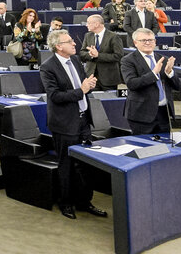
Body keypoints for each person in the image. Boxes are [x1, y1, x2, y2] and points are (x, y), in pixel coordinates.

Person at [40, 29, 105, 220]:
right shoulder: (47, 67)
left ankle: (85, 202)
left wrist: (88, 86)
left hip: (84, 119)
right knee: (67, 165)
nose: (74, 44)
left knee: (85, 165)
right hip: (64, 123)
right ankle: (66, 203)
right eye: (70, 42)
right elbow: (55, 96)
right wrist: (81, 90)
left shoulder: (76, 60)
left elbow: (81, 88)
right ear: (59, 47)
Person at [121, 28, 181, 134]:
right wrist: (153, 73)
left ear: (155, 42)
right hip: (141, 115)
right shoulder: (128, 60)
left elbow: (178, 86)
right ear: (135, 43)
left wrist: (169, 73)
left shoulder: (164, 59)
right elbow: (132, 84)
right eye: (143, 40)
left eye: (151, 40)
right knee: (145, 149)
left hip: (164, 113)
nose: (148, 42)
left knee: (165, 147)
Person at [78, 15, 124, 91]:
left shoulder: (114, 37)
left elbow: (118, 56)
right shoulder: (88, 36)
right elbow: (82, 53)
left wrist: (98, 55)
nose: (86, 25)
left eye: (88, 23)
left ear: (96, 24)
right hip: (91, 77)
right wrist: (90, 55)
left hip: (108, 78)